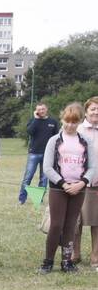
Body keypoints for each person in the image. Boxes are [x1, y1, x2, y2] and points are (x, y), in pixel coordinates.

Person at [40, 103, 92, 274]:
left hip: (79, 188)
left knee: (71, 225)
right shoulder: (54, 141)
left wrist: (82, 183)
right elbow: (47, 167)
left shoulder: (86, 141)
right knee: (56, 224)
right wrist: (63, 183)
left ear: (80, 122)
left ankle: (67, 261)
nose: (70, 125)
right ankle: (48, 261)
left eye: (74, 122)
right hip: (59, 188)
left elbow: (94, 166)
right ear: (62, 120)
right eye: (67, 121)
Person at [20, 103, 59, 205]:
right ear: (36, 111)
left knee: (44, 179)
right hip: (34, 153)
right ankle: (22, 199)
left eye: (43, 109)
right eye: (39, 109)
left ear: (46, 109)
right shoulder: (33, 121)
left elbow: (56, 137)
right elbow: (30, 132)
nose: (41, 111)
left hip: (48, 154)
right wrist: (36, 119)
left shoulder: (53, 122)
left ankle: (38, 200)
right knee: (28, 177)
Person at [76, 97, 98, 269]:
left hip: (97, 184)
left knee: (97, 222)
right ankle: (74, 254)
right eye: (93, 109)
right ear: (86, 111)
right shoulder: (76, 129)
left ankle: (95, 257)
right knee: (75, 221)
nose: (96, 112)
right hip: (77, 182)